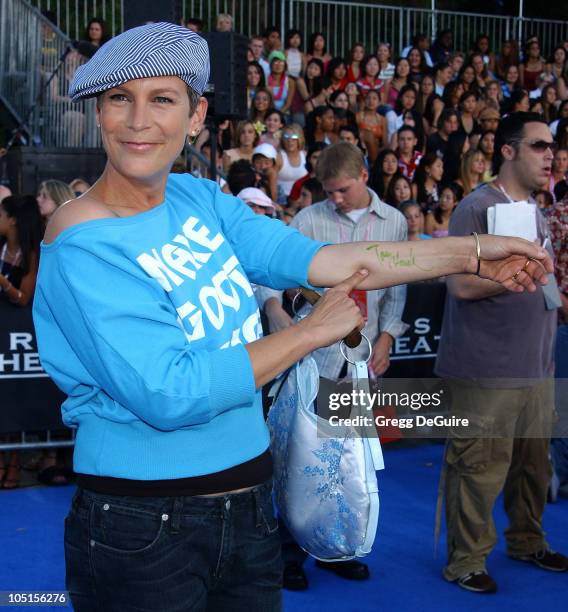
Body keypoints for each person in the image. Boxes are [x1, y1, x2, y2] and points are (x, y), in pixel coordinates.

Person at [32, 24, 556, 610]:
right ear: (98, 114)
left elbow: (324, 259)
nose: (138, 121)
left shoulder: (198, 199)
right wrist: (309, 333)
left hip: (251, 503)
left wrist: (473, 253)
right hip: (141, 522)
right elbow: (170, 391)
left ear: (196, 115)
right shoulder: (81, 238)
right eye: (118, 100)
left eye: (161, 99)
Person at [436, 112, 568, 594]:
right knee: (477, 468)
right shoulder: (476, 207)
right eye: (538, 145)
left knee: (534, 468)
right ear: (508, 151)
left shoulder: (536, 210)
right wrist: (510, 276)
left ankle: (527, 540)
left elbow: (544, 283)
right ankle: (466, 561)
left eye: (551, 146)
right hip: (484, 370)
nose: (549, 154)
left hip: (538, 365)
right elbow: (460, 285)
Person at [284, 141, 408, 587]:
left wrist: (388, 335)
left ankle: (337, 550)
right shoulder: (308, 220)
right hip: (312, 360)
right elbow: (282, 281)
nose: (334, 198)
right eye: (329, 191)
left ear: (364, 176)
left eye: (342, 190)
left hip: (360, 362)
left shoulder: (393, 221)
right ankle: (289, 555)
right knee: (301, 459)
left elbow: (397, 291)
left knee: (348, 462)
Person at [0, 194, 44, 489]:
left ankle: (13, 464)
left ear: (13, 219)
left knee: (14, 401)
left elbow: (24, 298)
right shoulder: (1, 247)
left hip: (19, 336)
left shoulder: (32, 254)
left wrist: (3, 284)